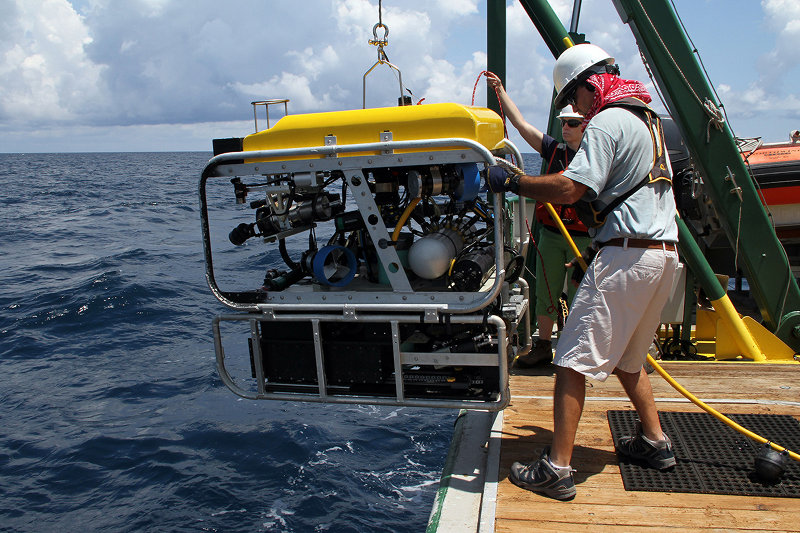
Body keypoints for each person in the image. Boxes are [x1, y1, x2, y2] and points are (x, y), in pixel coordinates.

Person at [488, 43, 680, 500]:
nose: (574, 110)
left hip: (626, 255)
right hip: (663, 255)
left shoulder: (608, 120)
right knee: (631, 361)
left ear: (590, 86)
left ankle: (557, 468)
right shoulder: (647, 122)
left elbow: (572, 189)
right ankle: (655, 442)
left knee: (571, 359)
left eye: (574, 99)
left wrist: (512, 181)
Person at [487, 72, 592, 366]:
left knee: (581, 294)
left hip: (583, 240)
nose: (567, 128)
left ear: (586, 126)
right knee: (546, 291)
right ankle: (544, 345)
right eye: (564, 123)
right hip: (552, 235)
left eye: (573, 123)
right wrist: (500, 91)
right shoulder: (555, 151)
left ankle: (579, 350)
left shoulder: (596, 157)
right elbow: (521, 125)